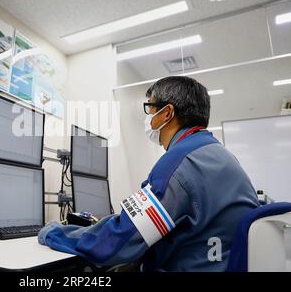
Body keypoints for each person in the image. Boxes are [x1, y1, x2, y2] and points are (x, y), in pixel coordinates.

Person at [38, 76, 259, 272]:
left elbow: (119, 241)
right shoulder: (222, 156)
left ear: (167, 113)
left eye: (150, 108)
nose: (148, 116)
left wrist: (55, 233)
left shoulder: (180, 162)